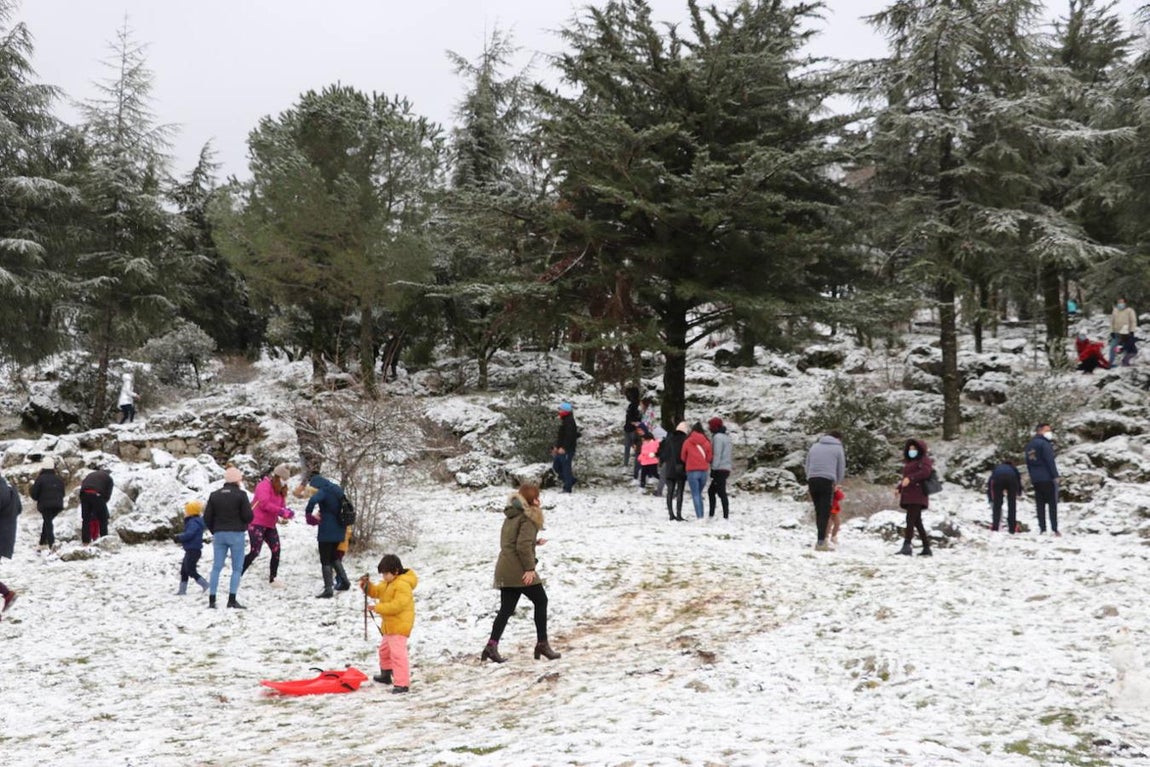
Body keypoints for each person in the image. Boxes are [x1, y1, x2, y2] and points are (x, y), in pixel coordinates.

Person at [481, 484, 560, 663]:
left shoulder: (512, 514)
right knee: (541, 601)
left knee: (506, 609)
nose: (539, 500)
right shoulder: (528, 518)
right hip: (519, 571)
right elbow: (522, 546)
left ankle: (491, 646)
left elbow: (512, 540)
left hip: (505, 568)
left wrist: (534, 542)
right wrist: (530, 569)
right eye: (537, 497)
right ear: (533, 501)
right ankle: (542, 644)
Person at [361, 554, 418, 694]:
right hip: (390, 626)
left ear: (396, 571)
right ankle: (386, 674)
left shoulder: (403, 585)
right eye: (382, 574)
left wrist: (377, 608)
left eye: (386, 574)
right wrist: (367, 586)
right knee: (384, 651)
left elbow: (396, 606)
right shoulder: (387, 583)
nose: (384, 577)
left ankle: (402, 684)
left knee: (398, 655)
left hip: (400, 625)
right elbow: (376, 591)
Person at [203, 466, 254, 609]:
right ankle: (232, 600)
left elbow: (207, 517)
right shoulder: (241, 495)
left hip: (219, 534)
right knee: (237, 568)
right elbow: (248, 516)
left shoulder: (214, 495)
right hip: (236, 534)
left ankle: (212, 600)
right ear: (237, 480)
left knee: (216, 567)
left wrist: (215, 530)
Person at [241, 464, 293, 585]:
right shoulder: (263, 485)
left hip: (270, 524)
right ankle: (238, 573)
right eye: (283, 479)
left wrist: (286, 513)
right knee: (255, 551)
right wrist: (281, 511)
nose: (285, 482)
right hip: (256, 523)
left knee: (276, 550)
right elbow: (264, 504)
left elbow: (281, 506)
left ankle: (273, 578)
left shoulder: (280, 490)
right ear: (277, 477)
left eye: (286, 480)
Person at [303, 472, 351, 598]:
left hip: (327, 530)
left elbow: (313, 500)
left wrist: (308, 513)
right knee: (333, 555)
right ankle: (345, 582)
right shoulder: (336, 489)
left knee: (325, 559)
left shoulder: (323, 491)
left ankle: (328, 589)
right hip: (340, 528)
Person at [804, 432, 846, 551]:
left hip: (812, 480)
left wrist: (809, 477)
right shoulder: (838, 448)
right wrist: (837, 483)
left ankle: (820, 539)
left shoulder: (814, 446)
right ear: (838, 438)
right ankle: (821, 542)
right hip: (827, 481)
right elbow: (841, 468)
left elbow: (807, 465)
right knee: (825, 511)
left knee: (818, 511)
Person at [895, 439, 934, 556]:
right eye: (910, 449)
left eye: (914, 449)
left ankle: (907, 545)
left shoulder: (924, 460)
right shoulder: (910, 462)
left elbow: (926, 472)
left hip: (918, 494)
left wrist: (911, 479)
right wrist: (899, 488)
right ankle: (926, 547)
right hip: (910, 494)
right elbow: (906, 478)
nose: (911, 451)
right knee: (917, 522)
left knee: (910, 520)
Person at [1024, 423, 1060, 536]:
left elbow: (1028, 463)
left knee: (1040, 505)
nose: (1049, 433)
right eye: (1047, 430)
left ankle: (1042, 528)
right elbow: (1050, 460)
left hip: (1036, 479)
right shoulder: (1044, 444)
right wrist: (1055, 475)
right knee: (1052, 504)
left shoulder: (1030, 445)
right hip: (1047, 477)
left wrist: (1032, 476)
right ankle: (1054, 529)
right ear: (1040, 431)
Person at [174, 500, 209, 595]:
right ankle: (182, 590)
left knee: (190, 570)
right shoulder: (193, 521)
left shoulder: (193, 522)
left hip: (193, 550)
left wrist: (179, 537)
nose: (185, 513)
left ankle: (205, 585)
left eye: (186, 511)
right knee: (184, 570)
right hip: (191, 550)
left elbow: (190, 534)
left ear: (191, 512)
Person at [29, 459, 65, 551]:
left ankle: (51, 544)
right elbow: (63, 492)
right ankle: (42, 542)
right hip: (58, 505)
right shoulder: (58, 479)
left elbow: (34, 494)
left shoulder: (40, 479)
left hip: (45, 505)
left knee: (48, 523)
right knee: (47, 521)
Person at [682, 422, 713, 520]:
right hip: (704, 471)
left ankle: (699, 516)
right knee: (699, 493)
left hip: (691, 471)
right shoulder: (707, 442)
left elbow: (683, 457)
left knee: (695, 494)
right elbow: (709, 458)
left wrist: (689, 461)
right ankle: (701, 515)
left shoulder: (687, 442)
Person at [0, 475, 21, 619]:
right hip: (5, 537)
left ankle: (7, 594)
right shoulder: (9, 487)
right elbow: (19, 509)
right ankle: (7, 594)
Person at [659, 423, 689, 521]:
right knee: (680, 491)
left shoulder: (668, 439)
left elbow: (662, 454)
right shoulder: (686, 440)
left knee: (670, 491)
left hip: (670, 468)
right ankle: (679, 514)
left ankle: (671, 514)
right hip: (681, 468)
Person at [79, 466, 114, 544]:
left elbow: (83, 484)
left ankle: (85, 541)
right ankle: (104, 539)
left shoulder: (91, 474)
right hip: (96, 494)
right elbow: (107, 495)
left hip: (84, 493)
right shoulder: (109, 479)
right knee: (103, 518)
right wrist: (101, 504)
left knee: (86, 519)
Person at [987, 460, 1022, 533]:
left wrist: (991, 498)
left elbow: (990, 482)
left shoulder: (997, 468)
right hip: (1011, 479)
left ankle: (995, 527)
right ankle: (1012, 528)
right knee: (1012, 504)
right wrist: (1019, 492)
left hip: (998, 479)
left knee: (997, 504)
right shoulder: (1013, 468)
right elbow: (1018, 480)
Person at [707, 417, 732, 519]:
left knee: (720, 492)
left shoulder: (717, 437)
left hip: (719, 468)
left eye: (710, 426)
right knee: (713, 491)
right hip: (726, 468)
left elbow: (717, 454)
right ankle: (715, 514)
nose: (709, 428)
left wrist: (713, 468)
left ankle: (723, 515)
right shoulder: (726, 437)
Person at [552, 402, 579, 493]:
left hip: (567, 450)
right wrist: (557, 447)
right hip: (561, 449)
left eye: (560, 409)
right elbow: (561, 436)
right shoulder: (565, 421)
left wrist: (564, 448)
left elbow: (570, 437)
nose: (559, 411)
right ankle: (571, 481)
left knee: (566, 468)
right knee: (556, 466)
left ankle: (567, 488)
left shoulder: (570, 422)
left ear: (565, 411)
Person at [1110, 298, 1138, 367]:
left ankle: (1125, 362)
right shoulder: (1115, 310)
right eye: (1119, 302)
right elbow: (1112, 322)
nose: (1120, 304)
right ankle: (1110, 362)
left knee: (1126, 347)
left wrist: (1132, 331)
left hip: (1125, 333)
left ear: (1125, 303)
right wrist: (1111, 331)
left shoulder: (1129, 311)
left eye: (1121, 302)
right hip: (1116, 332)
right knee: (1113, 347)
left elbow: (1133, 321)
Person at [622, 386, 641, 469]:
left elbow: (638, 418)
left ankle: (636, 467)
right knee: (628, 447)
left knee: (635, 448)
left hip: (634, 430)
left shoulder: (637, 406)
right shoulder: (631, 405)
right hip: (628, 429)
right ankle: (626, 466)